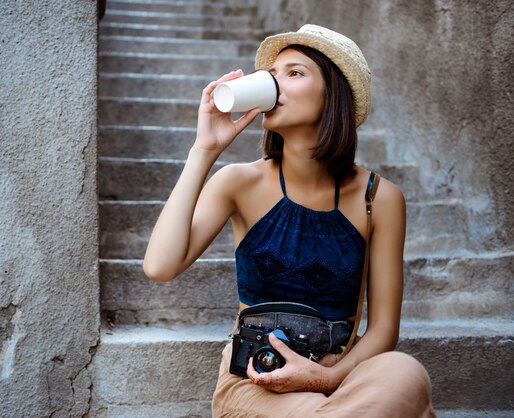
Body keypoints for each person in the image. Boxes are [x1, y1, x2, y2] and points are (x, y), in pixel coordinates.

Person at [143, 24, 435, 417]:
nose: (274, 83)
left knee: (406, 372)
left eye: (294, 73)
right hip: (255, 381)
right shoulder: (238, 182)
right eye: (272, 74)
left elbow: (383, 330)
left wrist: (325, 379)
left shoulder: (379, 198)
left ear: (334, 96)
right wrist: (204, 149)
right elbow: (160, 266)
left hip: (341, 377)